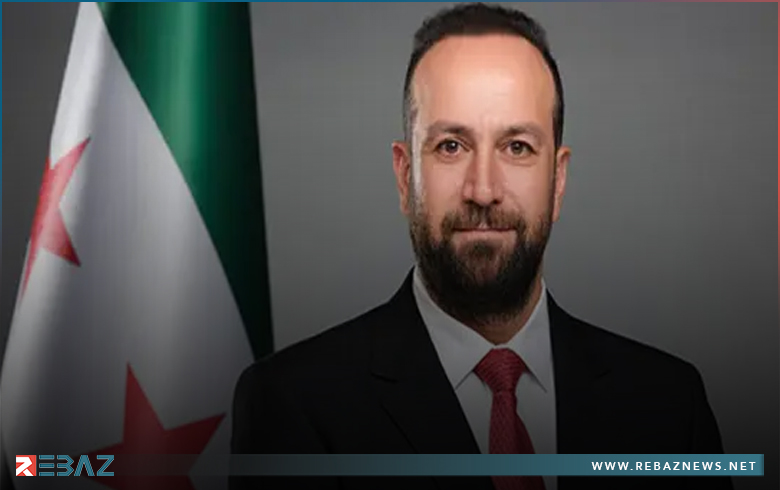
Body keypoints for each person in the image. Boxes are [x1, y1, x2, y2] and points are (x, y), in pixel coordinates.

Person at [231, 4, 731, 490]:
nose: (484, 190)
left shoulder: (671, 406)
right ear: (405, 177)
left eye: (517, 147)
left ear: (558, 180)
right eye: (451, 146)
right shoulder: (291, 405)